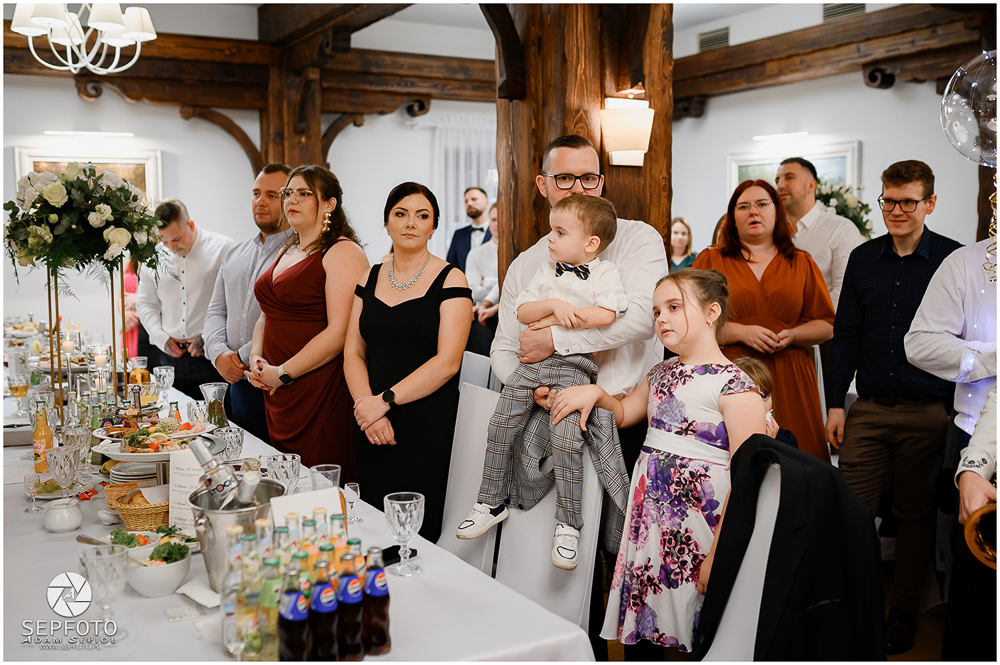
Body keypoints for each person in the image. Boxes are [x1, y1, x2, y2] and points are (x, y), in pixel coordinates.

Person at [490, 133, 667, 660]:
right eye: (565, 177)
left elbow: (641, 320)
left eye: (588, 177)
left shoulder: (637, 239)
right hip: (554, 416)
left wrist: (556, 340)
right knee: (568, 559)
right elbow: (505, 347)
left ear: (601, 182)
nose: (578, 187)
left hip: (627, 414)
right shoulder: (528, 263)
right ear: (543, 185)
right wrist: (538, 387)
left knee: (633, 560)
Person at [549, 269, 766, 651]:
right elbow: (623, 412)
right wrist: (596, 394)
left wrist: (718, 555)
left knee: (691, 628)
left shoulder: (735, 386)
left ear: (712, 312)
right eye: (656, 311)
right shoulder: (660, 373)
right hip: (650, 526)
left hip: (699, 530)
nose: (661, 318)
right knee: (649, 636)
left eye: (673, 307)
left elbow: (747, 477)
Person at [826, 160, 962, 655]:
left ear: (930, 203)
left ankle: (903, 611)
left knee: (914, 516)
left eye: (908, 201)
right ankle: (851, 607)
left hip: (929, 411)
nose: (896, 210)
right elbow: (846, 334)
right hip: (869, 407)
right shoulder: (864, 258)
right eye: (889, 200)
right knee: (851, 512)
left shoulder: (953, 259)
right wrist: (835, 404)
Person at [456, 195, 630, 571]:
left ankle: (568, 524)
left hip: (572, 367)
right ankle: (490, 501)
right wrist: (553, 306)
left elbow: (608, 314)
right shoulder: (547, 269)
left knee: (567, 438)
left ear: (591, 243)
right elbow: (522, 310)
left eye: (560, 232)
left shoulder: (605, 273)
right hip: (531, 364)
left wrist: (559, 319)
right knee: (501, 423)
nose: (549, 238)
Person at [344, 182, 473, 543]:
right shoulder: (369, 276)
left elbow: (448, 362)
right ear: (387, 223)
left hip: (425, 423)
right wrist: (366, 407)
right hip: (369, 421)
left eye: (422, 216)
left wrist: (384, 402)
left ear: (434, 226)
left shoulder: (451, 278)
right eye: (400, 214)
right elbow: (353, 352)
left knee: (420, 532)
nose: (411, 223)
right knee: (373, 525)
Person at [693, 180, 834, 462]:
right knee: (732, 460)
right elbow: (691, 321)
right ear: (732, 217)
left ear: (777, 212)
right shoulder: (711, 259)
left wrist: (793, 334)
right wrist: (738, 332)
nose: (753, 212)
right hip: (732, 371)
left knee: (798, 465)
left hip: (791, 376)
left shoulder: (802, 262)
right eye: (743, 206)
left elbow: (826, 324)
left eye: (762, 204)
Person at [903, 237, 995, 661]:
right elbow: (920, 344)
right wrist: (991, 359)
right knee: (977, 589)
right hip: (978, 436)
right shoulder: (965, 263)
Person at [245, 165, 368, 477]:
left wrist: (283, 373)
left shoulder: (342, 251)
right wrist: (256, 357)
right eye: (288, 193)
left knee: (321, 481)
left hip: (319, 388)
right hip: (278, 391)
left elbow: (340, 332)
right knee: (286, 481)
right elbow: (267, 313)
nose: (292, 200)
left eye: (304, 193)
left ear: (329, 203)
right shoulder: (289, 247)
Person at [204, 163, 293, 443]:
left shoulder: (299, 255)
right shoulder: (234, 253)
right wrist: (219, 354)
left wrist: (240, 359)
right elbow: (216, 310)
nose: (260, 202)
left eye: (272, 195)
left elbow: (285, 321)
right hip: (236, 385)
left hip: (280, 383)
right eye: (256, 194)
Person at [137, 199, 235, 399]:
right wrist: (160, 337)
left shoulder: (224, 249)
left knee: (216, 415)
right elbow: (146, 303)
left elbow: (235, 303)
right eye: (164, 241)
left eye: (177, 239)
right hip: (171, 359)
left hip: (213, 357)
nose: (171, 247)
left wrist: (207, 337)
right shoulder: (153, 258)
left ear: (190, 225)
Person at [776, 158, 864, 311]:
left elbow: (844, 294)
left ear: (811, 185)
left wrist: (806, 322)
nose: (780, 185)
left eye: (789, 177)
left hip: (823, 324)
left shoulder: (841, 230)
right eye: (777, 180)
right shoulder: (771, 232)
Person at [733, 356, 799, 448]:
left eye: (764, 397)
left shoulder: (787, 439)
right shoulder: (723, 439)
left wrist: (771, 444)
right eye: (750, 398)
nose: (760, 406)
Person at [465, 202, 500, 356]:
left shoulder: (521, 251)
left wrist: (487, 282)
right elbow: (473, 290)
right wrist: (499, 283)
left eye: (501, 219)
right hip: (483, 315)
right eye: (493, 220)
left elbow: (516, 288)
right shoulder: (476, 254)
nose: (497, 224)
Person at [446, 186, 491, 273]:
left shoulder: (498, 232)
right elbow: (450, 267)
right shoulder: (458, 235)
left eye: (474, 199)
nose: (469, 203)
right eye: (466, 201)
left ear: (486, 203)